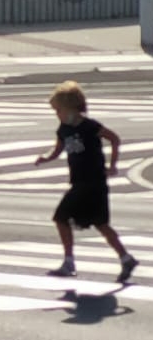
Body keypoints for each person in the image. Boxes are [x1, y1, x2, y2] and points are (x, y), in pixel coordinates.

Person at [34, 81, 139, 282]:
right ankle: (126, 259)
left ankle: (69, 263)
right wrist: (45, 158)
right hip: (79, 182)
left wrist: (112, 165)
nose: (57, 114)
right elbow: (57, 149)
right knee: (100, 224)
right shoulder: (64, 129)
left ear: (72, 108)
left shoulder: (89, 126)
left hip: (94, 182)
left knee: (62, 217)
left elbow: (114, 138)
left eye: (58, 110)